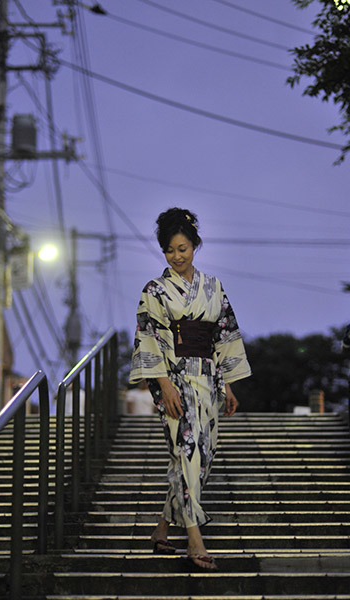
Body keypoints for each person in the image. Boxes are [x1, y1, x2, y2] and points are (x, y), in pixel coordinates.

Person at [129, 207, 251, 570]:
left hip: (209, 379)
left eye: (182, 248)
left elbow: (225, 334)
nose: (176, 256)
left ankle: (161, 530)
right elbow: (148, 337)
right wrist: (163, 384)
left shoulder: (213, 287)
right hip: (175, 378)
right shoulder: (154, 290)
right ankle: (195, 540)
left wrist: (227, 384)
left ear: (195, 245)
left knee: (202, 457)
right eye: (169, 250)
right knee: (187, 453)